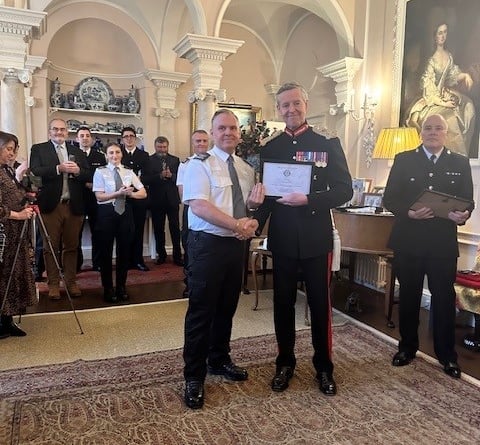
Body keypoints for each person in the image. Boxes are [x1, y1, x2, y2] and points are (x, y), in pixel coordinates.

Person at [253, 81, 352, 396]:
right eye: (285, 105)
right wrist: (253, 224)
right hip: (282, 237)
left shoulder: (327, 141)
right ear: (278, 110)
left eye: (296, 103)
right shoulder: (270, 147)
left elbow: (344, 190)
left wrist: (309, 199)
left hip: (314, 236)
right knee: (282, 303)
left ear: (305, 105)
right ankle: (285, 363)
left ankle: (324, 367)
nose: (291, 109)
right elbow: (267, 198)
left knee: (320, 304)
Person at [182, 109, 264, 409]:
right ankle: (193, 375)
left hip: (234, 246)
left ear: (238, 133)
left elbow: (245, 210)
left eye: (233, 127)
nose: (228, 132)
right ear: (213, 133)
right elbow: (199, 207)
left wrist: (253, 214)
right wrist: (237, 225)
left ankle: (218, 359)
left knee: (227, 307)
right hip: (207, 245)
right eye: (222, 128)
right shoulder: (198, 164)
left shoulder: (245, 169)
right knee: (201, 310)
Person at [383, 113, 474, 379]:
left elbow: (468, 201)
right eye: (428, 128)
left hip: (442, 244)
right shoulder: (404, 160)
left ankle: (447, 356)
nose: (433, 132)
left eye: (438, 128)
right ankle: (407, 347)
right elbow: (390, 198)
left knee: (444, 299)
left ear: (446, 133)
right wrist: (408, 213)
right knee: (409, 296)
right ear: (421, 132)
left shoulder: (459, 162)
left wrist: (463, 215)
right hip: (408, 240)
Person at [29, 118, 89, 300]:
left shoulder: (77, 151)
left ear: (67, 132)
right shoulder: (39, 149)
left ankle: (71, 282)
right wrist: (58, 168)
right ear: (50, 132)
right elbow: (35, 170)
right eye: (55, 129)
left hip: (73, 205)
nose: (59, 132)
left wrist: (77, 171)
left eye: (62, 129)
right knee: (50, 247)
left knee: (72, 246)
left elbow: (89, 174)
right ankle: (53, 284)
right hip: (50, 206)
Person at [406, 23, 475, 156]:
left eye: (445, 32)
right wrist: (444, 103)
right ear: (434, 36)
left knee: (468, 106)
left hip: (444, 93)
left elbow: (451, 75)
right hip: (431, 99)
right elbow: (428, 85)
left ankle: (461, 157)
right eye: (439, 33)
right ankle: (450, 156)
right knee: (449, 119)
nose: (442, 36)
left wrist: (465, 75)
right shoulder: (430, 58)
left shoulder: (448, 55)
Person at [92, 142, 147, 303]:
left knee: (124, 253)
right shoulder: (100, 172)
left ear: (121, 154)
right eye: (111, 153)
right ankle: (108, 288)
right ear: (106, 155)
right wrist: (118, 193)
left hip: (125, 214)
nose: (114, 156)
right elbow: (99, 196)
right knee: (106, 253)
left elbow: (143, 193)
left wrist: (130, 195)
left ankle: (121, 286)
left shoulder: (129, 172)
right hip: (106, 214)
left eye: (117, 152)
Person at [0, 131, 37, 338]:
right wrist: (18, 214)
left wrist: (26, 196)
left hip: (16, 235)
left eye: (14, 150)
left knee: (12, 276)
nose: (12, 154)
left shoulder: (7, 171)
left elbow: (14, 195)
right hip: (3, 235)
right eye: (8, 149)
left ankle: (8, 320)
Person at [176, 129, 210, 296]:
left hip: (212, 210)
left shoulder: (214, 162)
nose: (202, 144)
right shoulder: (185, 164)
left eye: (204, 141)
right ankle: (190, 283)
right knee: (190, 246)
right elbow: (181, 190)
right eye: (198, 141)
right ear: (193, 143)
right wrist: (196, 204)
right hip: (191, 209)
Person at [142, 136, 183, 266]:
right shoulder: (148, 160)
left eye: (164, 147)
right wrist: (159, 176)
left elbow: (181, 178)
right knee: (158, 229)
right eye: (159, 147)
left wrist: (172, 176)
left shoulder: (175, 160)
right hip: (156, 200)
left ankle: (177, 256)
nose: (162, 149)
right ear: (155, 147)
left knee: (175, 228)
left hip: (172, 199)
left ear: (167, 146)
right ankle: (162, 255)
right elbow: (144, 179)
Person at [76, 126, 106, 272]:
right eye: (82, 136)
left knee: (98, 232)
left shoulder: (99, 156)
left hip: (95, 199)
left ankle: (98, 263)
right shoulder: (72, 155)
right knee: (76, 233)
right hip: (78, 198)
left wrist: (93, 185)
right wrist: (86, 182)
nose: (85, 138)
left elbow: (103, 176)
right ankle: (76, 264)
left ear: (92, 139)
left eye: (87, 136)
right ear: (77, 139)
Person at [120, 126, 150, 271]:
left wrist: (139, 179)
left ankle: (138, 260)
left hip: (139, 197)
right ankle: (125, 261)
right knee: (124, 230)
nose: (129, 138)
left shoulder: (144, 155)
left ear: (135, 138)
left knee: (138, 230)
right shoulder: (118, 154)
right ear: (122, 138)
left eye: (131, 136)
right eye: (126, 136)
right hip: (123, 197)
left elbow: (149, 176)